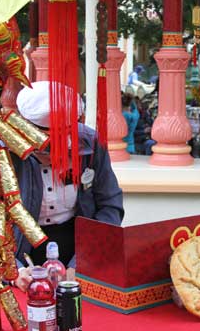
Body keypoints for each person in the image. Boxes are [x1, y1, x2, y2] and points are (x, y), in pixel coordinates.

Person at [13, 81, 124, 292]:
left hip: (80, 247)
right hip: (22, 251)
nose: (52, 157)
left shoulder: (89, 143)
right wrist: (15, 270)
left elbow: (110, 206)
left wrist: (81, 263)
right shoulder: (1, 151)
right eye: (44, 150)